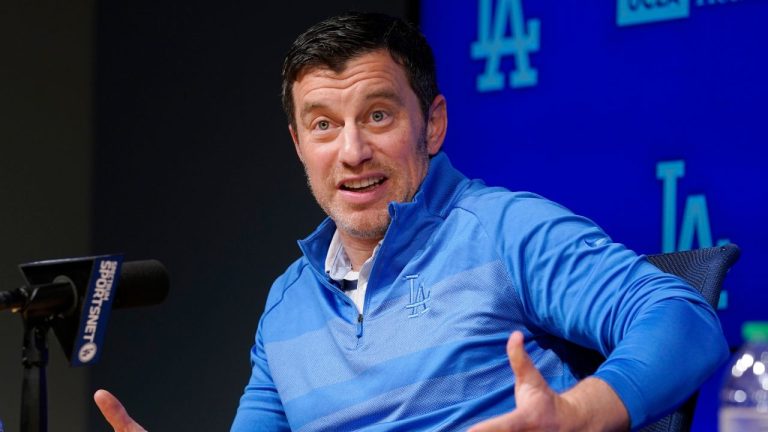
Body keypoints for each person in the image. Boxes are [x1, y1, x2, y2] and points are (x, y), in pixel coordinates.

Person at [95, 12, 729, 432]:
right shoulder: (286, 304)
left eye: (377, 116)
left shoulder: (506, 230)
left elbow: (684, 318)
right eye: (323, 125)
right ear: (298, 144)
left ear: (433, 124)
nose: (350, 152)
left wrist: (578, 414)